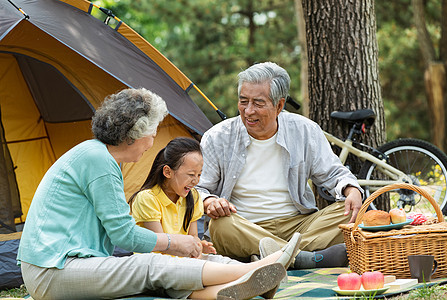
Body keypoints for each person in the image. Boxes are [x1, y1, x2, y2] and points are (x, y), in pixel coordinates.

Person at [16, 88, 299, 300]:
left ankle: (238, 288)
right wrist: (173, 242)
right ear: (136, 133)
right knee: (150, 264)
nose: (152, 142)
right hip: (52, 271)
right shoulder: (97, 160)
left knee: (171, 265)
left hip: (65, 265)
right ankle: (258, 269)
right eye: (152, 133)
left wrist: (178, 246)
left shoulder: (99, 156)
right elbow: (124, 236)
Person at [196, 62, 364, 269]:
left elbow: (334, 173)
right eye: (243, 101)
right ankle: (303, 258)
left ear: (279, 105)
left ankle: (272, 256)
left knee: (352, 211)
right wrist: (210, 200)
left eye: (258, 103)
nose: (248, 111)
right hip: (243, 226)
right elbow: (198, 188)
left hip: (300, 225)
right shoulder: (217, 137)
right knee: (220, 225)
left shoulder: (304, 130)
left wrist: (351, 189)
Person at [129, 137, 227, 262]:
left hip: (182, 259)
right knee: (214, 269)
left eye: (199, 175)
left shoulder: (193, 196)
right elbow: (162, 245)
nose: (196, 181)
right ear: (168, 172)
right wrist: (191, 250)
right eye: (191, 174)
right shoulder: (147, 198)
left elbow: (193, 236)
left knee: (222, 262)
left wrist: (198, 245)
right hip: (154, 262)